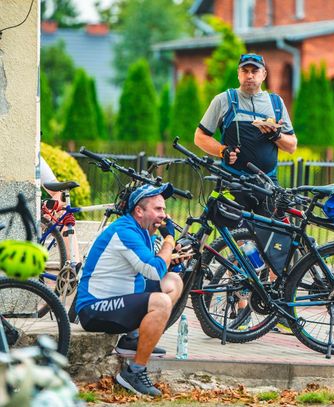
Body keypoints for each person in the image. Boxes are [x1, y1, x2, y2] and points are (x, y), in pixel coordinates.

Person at [75, 183, 189, 396]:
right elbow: (153, 270)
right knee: (161, 302)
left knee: (174, 281)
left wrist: (171, 259)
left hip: (119, 299)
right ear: (139, 211)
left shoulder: (144, 232)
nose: (164, 215)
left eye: (164, 209)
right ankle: (134, 372)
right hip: (94, 309)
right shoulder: (125, 231)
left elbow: (154, 269)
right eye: (158, 209)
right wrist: (169, 240)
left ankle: (133, 339)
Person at [194, 52, 297, 214]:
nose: (249, 75)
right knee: (230, 230)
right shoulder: (224, 100)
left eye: (255, 71)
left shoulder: (276, 103)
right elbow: (199, 137)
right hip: (233, 182)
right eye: (245, 71)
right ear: (238, 74)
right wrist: (222, 150)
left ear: (264, 74)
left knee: (271, 230)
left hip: (268, 183)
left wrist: (276, 136)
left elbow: (292, 146)